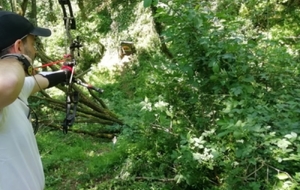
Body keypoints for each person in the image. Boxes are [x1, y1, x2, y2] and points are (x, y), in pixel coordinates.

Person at [0, 11, 72, 190]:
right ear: (18, 46)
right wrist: (18, 60)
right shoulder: (5, 94)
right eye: (32, 43)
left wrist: (66, 72)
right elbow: (7, 83)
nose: (35, 50)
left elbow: (41, 80)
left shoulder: (18, 91)